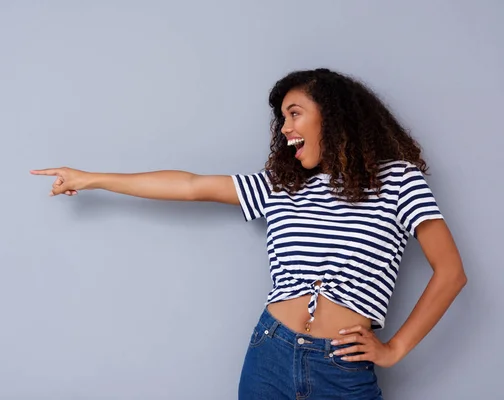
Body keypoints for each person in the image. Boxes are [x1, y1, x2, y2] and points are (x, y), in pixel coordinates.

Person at [30, 68, 467, 399]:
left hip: (343, 368)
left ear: (333, 117)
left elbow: (450, 272)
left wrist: (394, 349)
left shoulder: (397, 181)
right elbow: (191, 185)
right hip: (270, 354)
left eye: (295, 114)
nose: (285, 129)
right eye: (281, 119)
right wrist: (90, 178)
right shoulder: (281, 185)